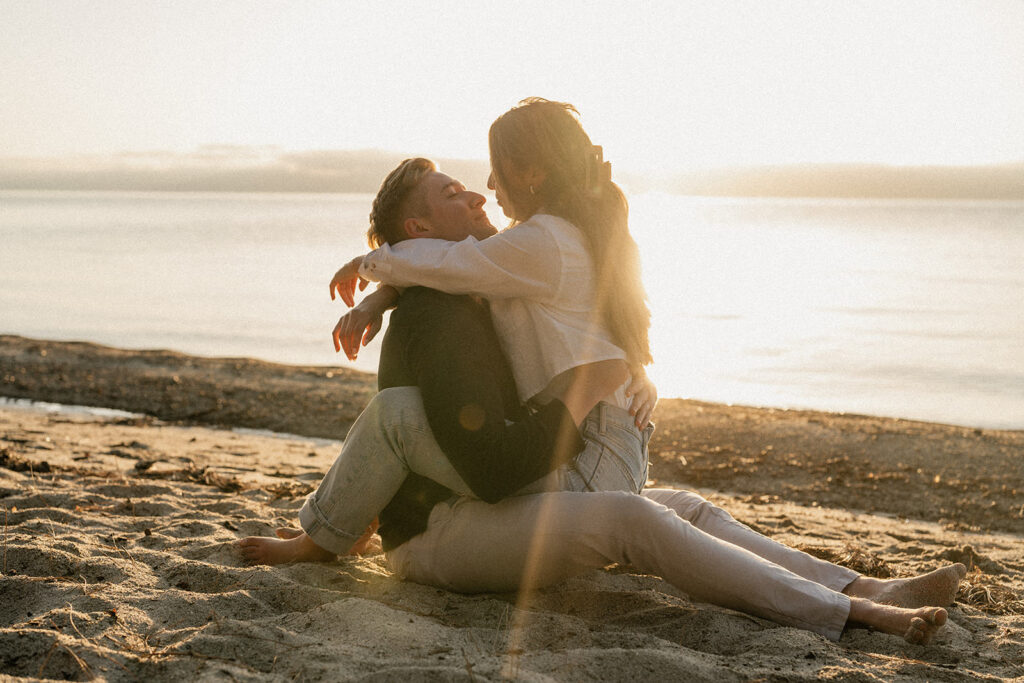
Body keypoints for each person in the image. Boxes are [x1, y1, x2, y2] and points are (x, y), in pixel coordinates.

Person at [243, 99, 965, 644]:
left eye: (488, 175)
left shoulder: (530, 249)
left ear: (532, 171)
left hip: (569, 455)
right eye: (456, 190)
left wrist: (373, 270)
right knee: (664, 511)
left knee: (663, 511)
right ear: (423, 228)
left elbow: (453, 262)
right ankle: (859, 597)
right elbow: (451, 271)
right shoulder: (528, 254)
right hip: (524, 483)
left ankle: (860, 593)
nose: (484, 188)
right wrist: (380, 289)